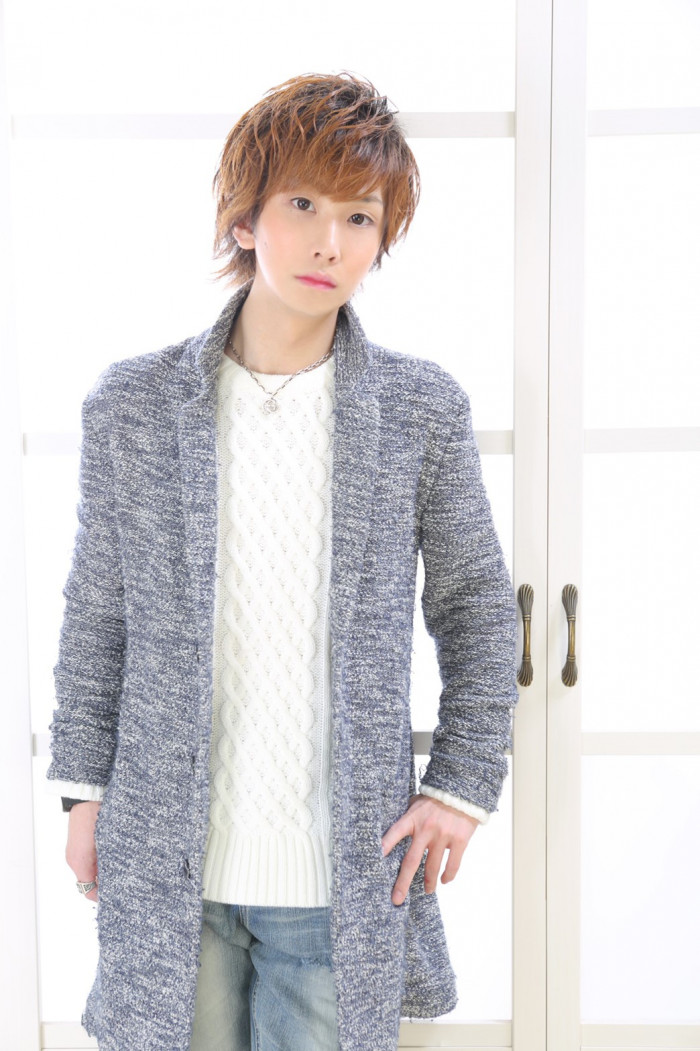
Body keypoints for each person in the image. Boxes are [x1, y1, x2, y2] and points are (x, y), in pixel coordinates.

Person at [47, 72, 519, 1051]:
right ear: (245, 216)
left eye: (359, 216)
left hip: (338, 876)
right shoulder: (133, 406)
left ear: (381, 240)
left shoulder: (420, 410)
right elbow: (98, 617)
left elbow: (478, 609)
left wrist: (459, 787)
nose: (328, 241)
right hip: (169, 863)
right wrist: (84, 792)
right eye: (302, 204)